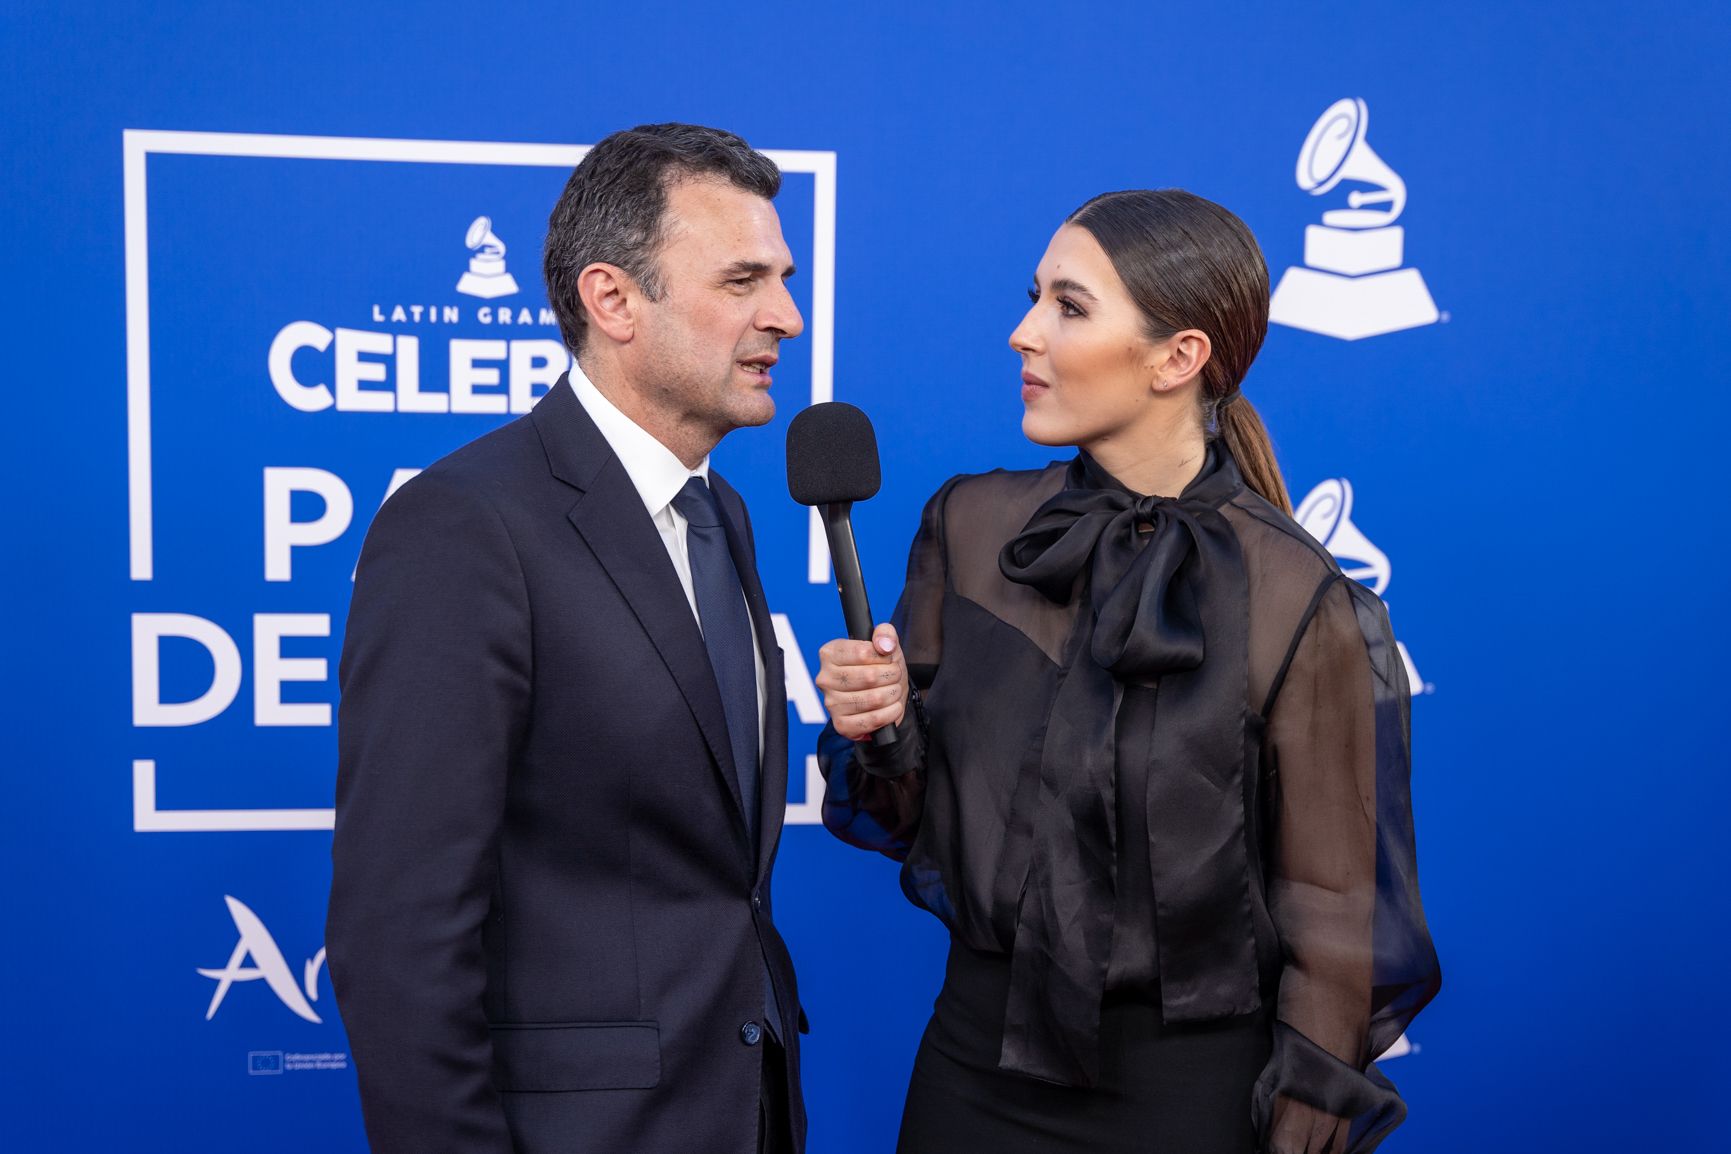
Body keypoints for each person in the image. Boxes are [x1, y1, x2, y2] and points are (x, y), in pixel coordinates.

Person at [816, 189, 1439, 1154]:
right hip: (973, 1072)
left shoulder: (1295, 596)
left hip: (1191, 1099)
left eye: (1068, 306)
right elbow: (903, 820)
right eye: (1032, 297)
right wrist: (881, 728)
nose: (1023, 333)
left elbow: (1332, 916)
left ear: (1177, 357)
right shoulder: (970, 528)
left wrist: (1300, 1123)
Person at [327, 122, 809, 1154]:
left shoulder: (721, 515)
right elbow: (399, 931)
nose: (786, 315)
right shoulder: (464, 525)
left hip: (741, 1113)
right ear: (612, 299)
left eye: (783, 279)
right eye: (742, 280)